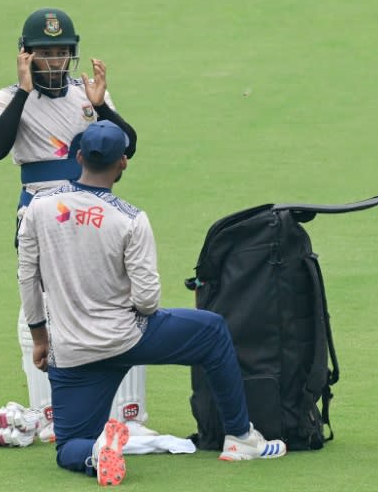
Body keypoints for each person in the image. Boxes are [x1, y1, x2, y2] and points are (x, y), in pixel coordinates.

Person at [17, 120, 287, 484]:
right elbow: (147, 300)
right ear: (123, 162)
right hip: (129, 336)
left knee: (68, 446)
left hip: (72, 351)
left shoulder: (39, 207)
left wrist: (39, 338)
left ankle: (96, 453)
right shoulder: (130, 219)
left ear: (78, 156)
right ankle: (240, 438)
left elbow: (27, 278)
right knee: (212, 330)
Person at [0, 7, 148, 442]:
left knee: (108, 295)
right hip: (40, 215)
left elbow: (128, 143)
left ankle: (120, 413)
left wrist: (100, 109)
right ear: (26, 55)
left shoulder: (87, 94)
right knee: (39, 299)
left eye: (61, 52)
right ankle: (49, 411)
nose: (54, 61)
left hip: (94, 210)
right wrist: (22, 92)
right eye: (44, 53)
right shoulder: (7, 97)